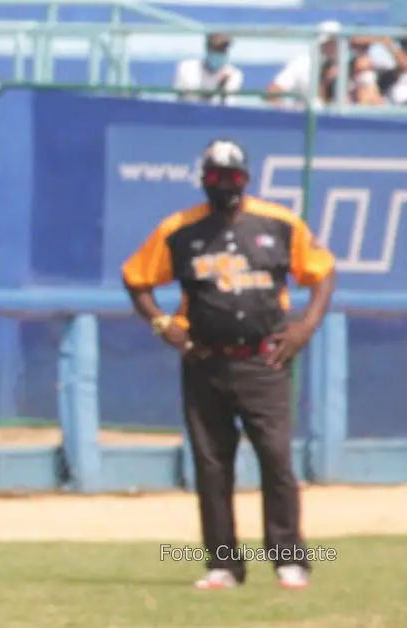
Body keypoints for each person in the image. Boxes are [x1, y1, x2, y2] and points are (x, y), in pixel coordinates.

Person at [120, 139, 336, 591]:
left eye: (232, 177)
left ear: (247, 178)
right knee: (212, 463)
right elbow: (135, 277)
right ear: (203, 181)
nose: (225, 185)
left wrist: (304, 328)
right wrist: (162, 323)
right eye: (216, 177)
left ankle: (289, 560)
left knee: (276, 459)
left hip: (265, 360)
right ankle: (223, 564)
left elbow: (322, 271)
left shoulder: (278, 223)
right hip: (205, 361)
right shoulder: (179, 230)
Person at [173, 33, 244, 106]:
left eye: (222, 49)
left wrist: (221, 89)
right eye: (214, 48)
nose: (218, 53)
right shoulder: (186, 68)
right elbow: (179, 102)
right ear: (207, 47)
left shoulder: (233, 75)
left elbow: (228, 110)